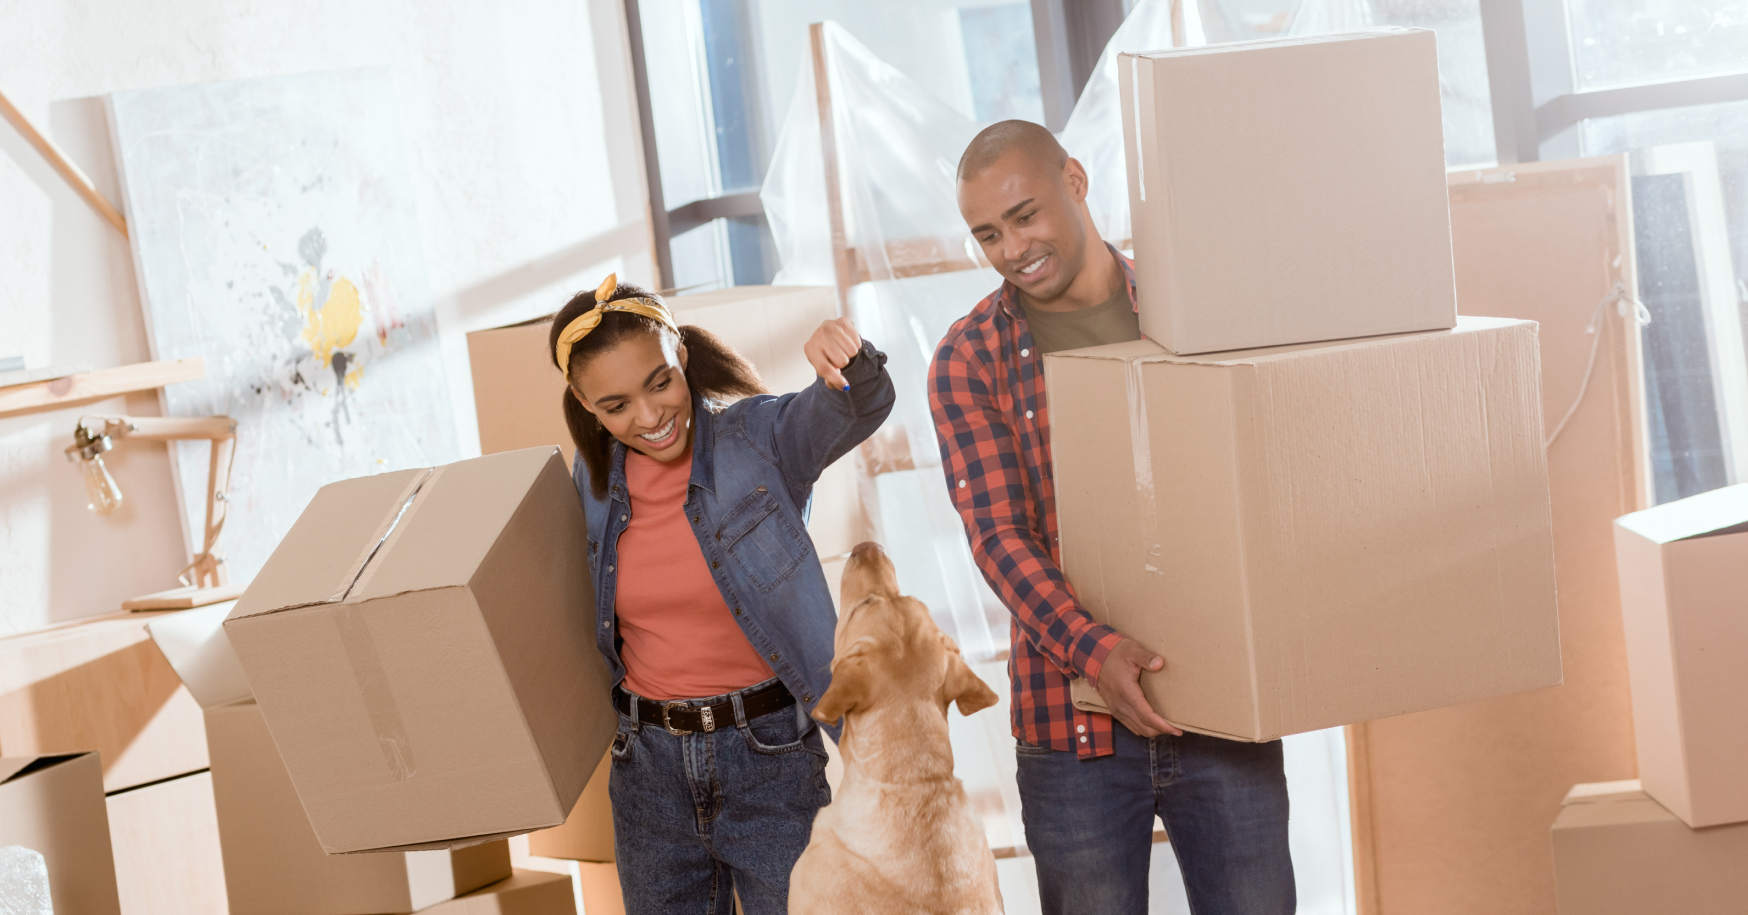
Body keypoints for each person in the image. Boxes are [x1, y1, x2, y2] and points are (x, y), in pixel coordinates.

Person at [928, 121, 1296, 914]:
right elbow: (998, 537)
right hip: (1073, 738)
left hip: (1225, 710)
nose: (1010, 247)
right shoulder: (969, 358)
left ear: (1077, 180)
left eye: (1025, 214)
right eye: (987, 233)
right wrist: (1096, 654)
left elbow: (1261, 481)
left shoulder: (1193, 309)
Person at [552, 274, 894, 915]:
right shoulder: (593, 484)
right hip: (648, 772)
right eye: (616, 405)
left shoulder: (760, 441)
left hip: (769, 759)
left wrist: (846, 358)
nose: (650, 418)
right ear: (585, 403)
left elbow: (858, 406)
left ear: (680, 354)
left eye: (660, 382)